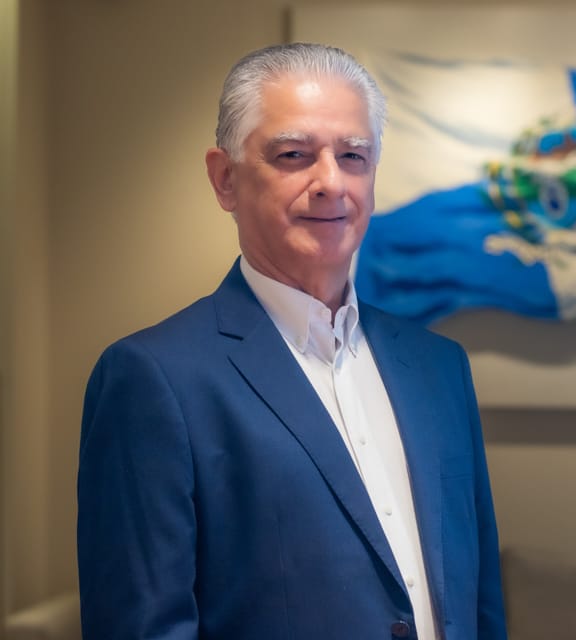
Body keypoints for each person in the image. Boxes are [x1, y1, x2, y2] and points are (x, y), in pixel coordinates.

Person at [77, 43, 508, 640]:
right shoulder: (153, 378)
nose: (330, 182)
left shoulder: (439, 366)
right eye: (293, 155)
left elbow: (481, 603)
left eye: (352, 155)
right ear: (225, 179)